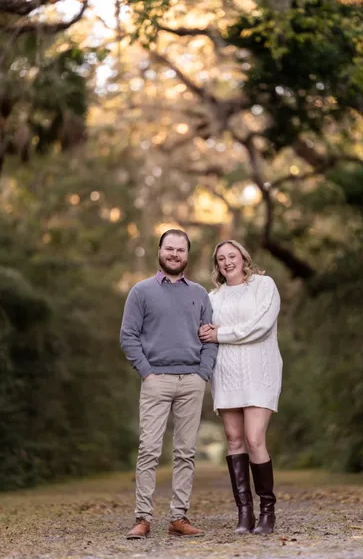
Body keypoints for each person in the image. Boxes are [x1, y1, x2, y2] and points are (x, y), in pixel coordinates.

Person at [120, 229, 218, 540]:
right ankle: (142, 518)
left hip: (192, 380)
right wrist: (147, 372)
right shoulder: (141, 292)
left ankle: (179, 517)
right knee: (149, 449)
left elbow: (210, 338)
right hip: (156, 380)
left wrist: (203, 372)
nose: (174, 254)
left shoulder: (200, 294)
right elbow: (128, 336)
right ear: (160, 251)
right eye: (169, 249)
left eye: (180, 250)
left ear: (187, 255)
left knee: (186, 452)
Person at [199, 240, 282, 536]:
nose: (227, 261)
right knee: (234, 440)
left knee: (254, 438)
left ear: (244, 258)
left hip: (260, 371)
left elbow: (261, 327)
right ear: (217, 265)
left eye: (232, 255)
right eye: (221, 258)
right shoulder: (213, 297)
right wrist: (208, 333)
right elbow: (204, 331)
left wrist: (221, 334)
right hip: (226, 373)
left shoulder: (263, 285)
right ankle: (244, 514)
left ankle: (267, 512)